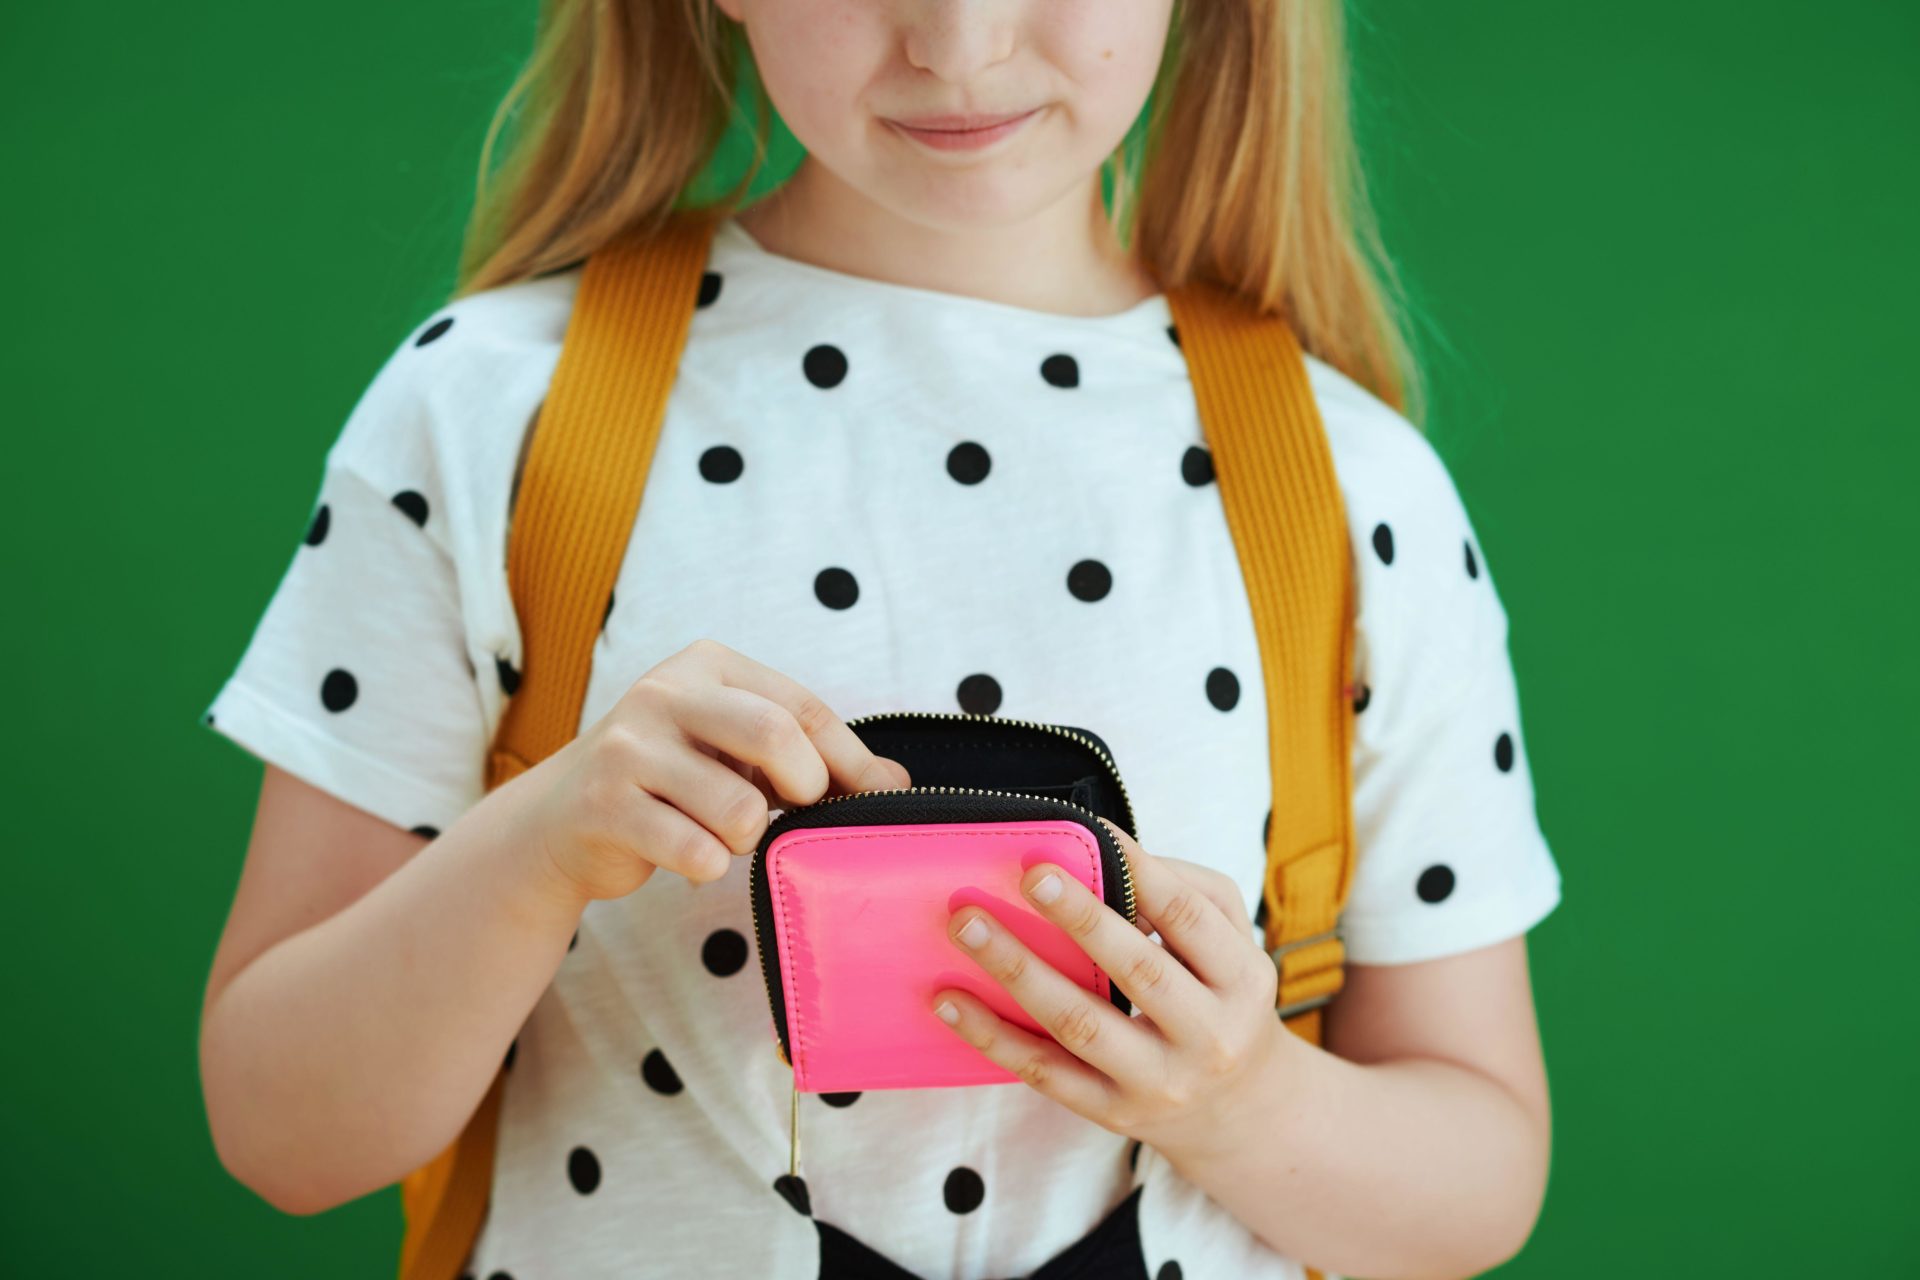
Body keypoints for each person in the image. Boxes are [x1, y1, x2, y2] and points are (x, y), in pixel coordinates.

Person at [194, 1, 1564, 1277]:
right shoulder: (490, 414)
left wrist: (1245, 1102)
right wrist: (539, 848)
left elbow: (1480, 1175)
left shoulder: (1350, 489)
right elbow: (281, 1131)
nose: (958, 46)